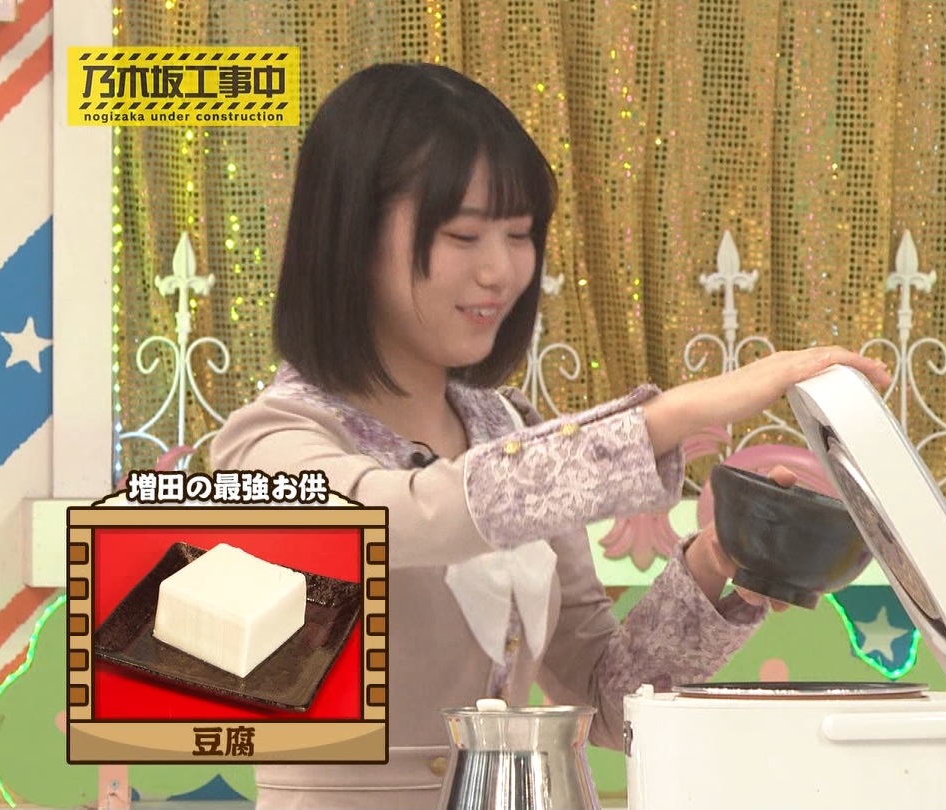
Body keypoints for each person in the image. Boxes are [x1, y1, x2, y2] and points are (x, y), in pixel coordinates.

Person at [210, 62, 890, 809]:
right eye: (464, 234)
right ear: (353, 237)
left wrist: (714, 561)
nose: (500, 269)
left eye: (520, 234)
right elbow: (405, 515)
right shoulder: (268, 444)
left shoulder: (507, 429)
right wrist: (671, 415)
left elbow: (609, 698)